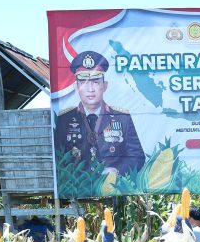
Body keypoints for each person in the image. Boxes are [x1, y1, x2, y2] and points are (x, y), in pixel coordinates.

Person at [53, 50, 144, 179]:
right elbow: (58, 157)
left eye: (95, 81)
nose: (90, 88)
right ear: (75, 87)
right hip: (78, 189)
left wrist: (116, 171)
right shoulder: (64, 120)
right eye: (83, 82)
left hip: (114, 188)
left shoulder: (122, 118)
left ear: (105, 86)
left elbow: (137, 156)